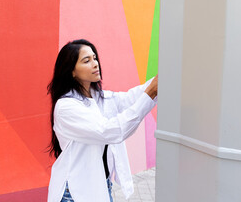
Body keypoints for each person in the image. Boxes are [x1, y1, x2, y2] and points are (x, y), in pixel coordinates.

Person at [47, 39, 158, 202]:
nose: (95, 63)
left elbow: (130, 98)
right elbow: (109, 131)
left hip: (101, 187)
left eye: (94, 58)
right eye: (87, 61)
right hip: (75, 193)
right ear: (72, 71)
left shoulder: (99, 97)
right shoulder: (66, 107)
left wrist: (159, 81)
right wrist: (151, 92)